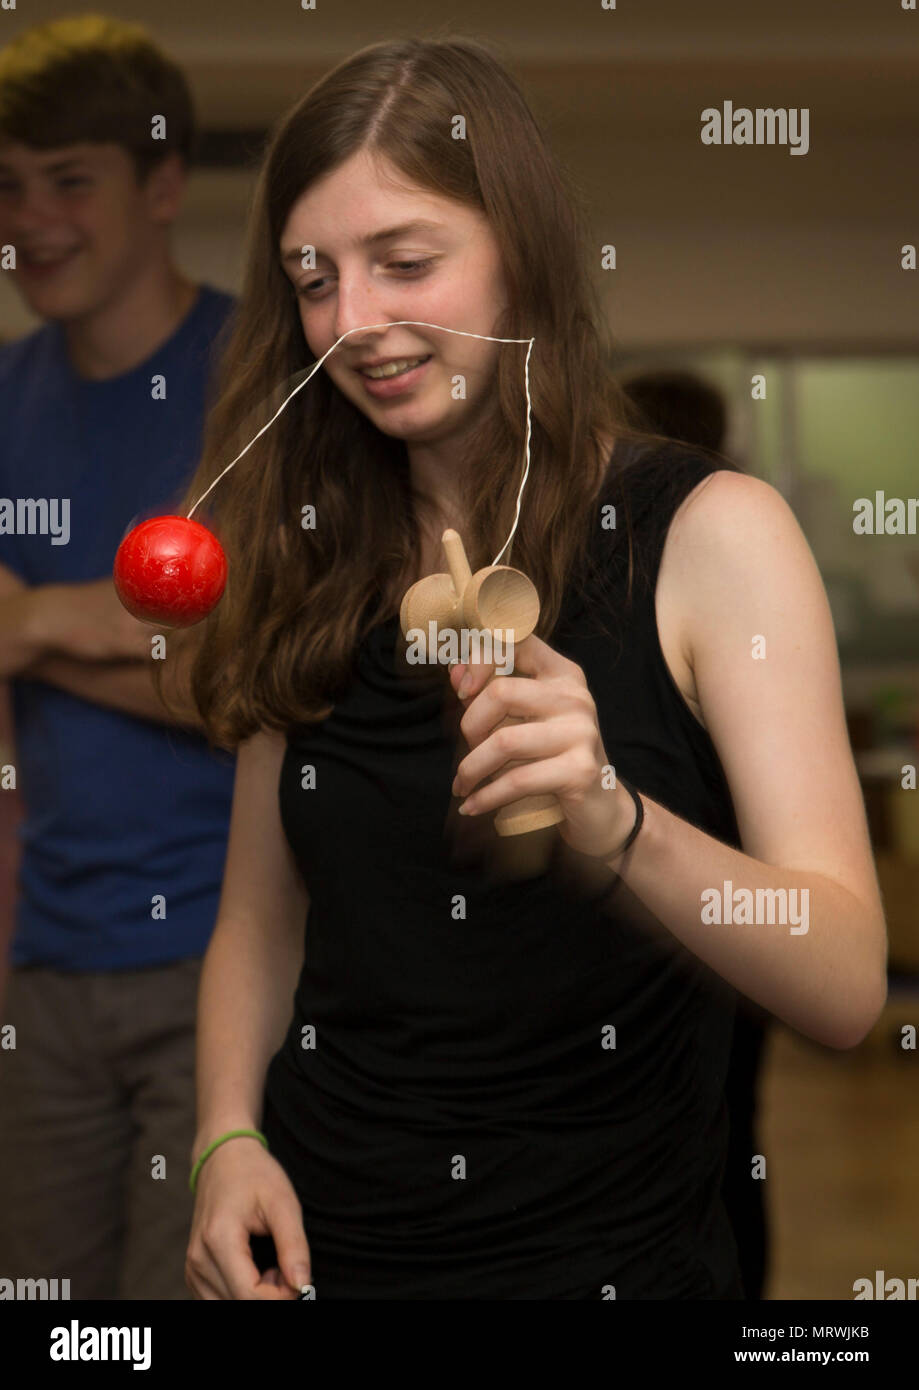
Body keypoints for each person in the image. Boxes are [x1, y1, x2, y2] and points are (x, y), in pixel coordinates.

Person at [177, 36, 888, 1301]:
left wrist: (615, 819)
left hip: (608, 1262)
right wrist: (227, 1137)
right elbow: (259, 917)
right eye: (314, 277)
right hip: (322, 1254)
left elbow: (839, 982)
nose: (355, 323)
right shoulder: (313, 551)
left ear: (524, 254)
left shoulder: (711, 534)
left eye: (405, 262)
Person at [0, 16, 237, 1300]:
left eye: (69, 179)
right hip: (43, 962)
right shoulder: (1, 394)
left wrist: (26, 622)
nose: (31, 218)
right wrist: (108, 627)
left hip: (236, 957)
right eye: (7, 184)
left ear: (158, 185)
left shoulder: (269, 384)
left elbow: (246, 686)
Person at [619, 368, 772, 1299]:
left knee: (713, 1144)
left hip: (717, 921)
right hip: (698, 923)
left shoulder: (723, 560)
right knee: (727, 1138)